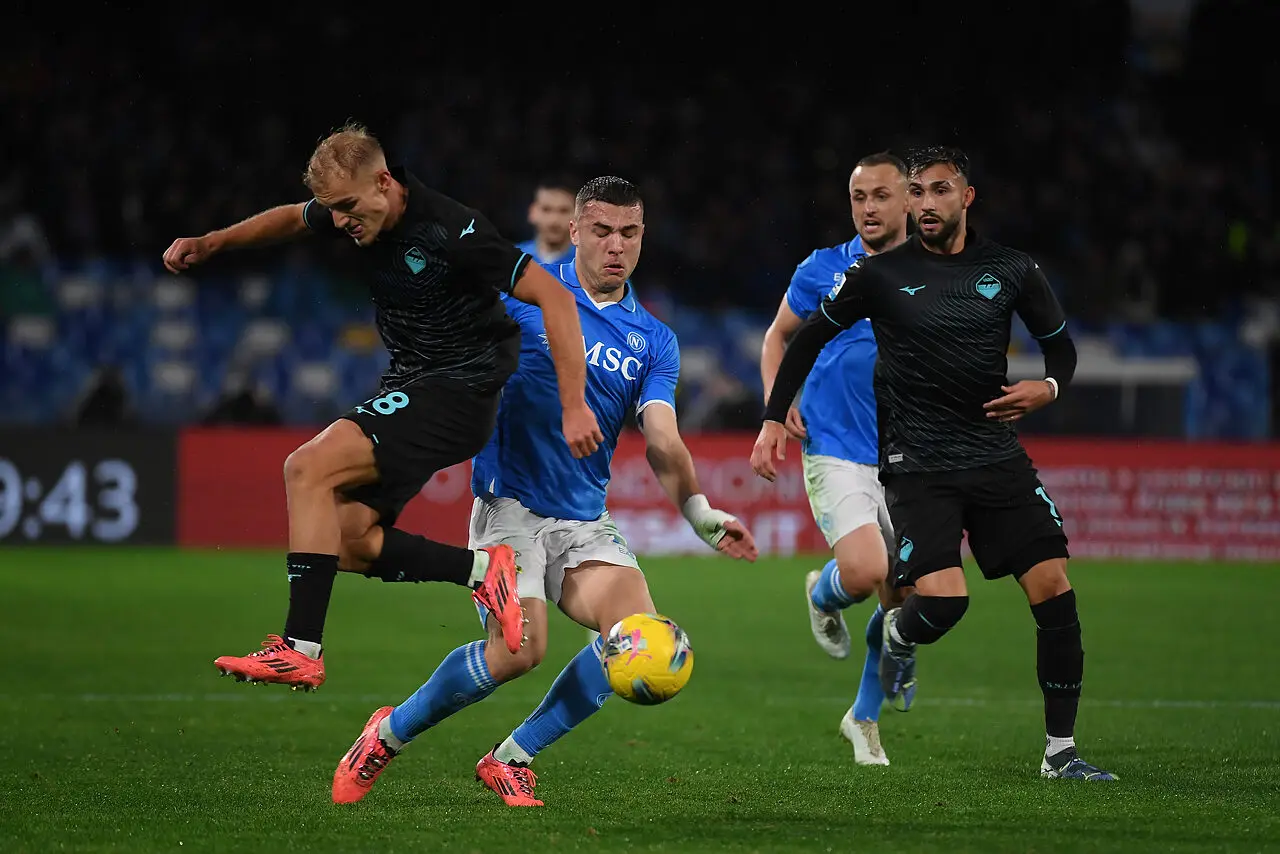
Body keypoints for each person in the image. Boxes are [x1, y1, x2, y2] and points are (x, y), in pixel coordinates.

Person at [330, 176, 758, 807]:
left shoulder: (654, 340)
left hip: (584, 517)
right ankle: (385, 736)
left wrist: (700, 512)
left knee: (636, 637)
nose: (617, 246)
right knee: (517, 653)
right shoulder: (527, 293)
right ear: (577, 231)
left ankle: (511, 759)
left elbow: (663, 440)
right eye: (604, 231)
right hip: (510, 506)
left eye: (631, 233)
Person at [161, 122, 604, 690]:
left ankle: (300, 649)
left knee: (305, 467)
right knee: (343, 538)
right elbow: (294, 218)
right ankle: (483, 571)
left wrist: (574, 405)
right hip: (413, 381)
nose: (340, 221)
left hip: (459, 389)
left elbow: (554, 296)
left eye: (347, 207)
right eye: (333, 210)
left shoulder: (453, 228)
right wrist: (211, 243)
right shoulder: (350, 210)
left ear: (385, 182)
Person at [751, 146, 1116, 781]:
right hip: (917, 464)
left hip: (996, 457)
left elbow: (1060, 346)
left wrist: (1050, 388)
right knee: (939, 603)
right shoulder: (878, 274)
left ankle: (1061, 753)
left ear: (966, 197)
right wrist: (771, 417)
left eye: (937, 191)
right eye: (916, 192)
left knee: (1055, 590)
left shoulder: (1010, 268)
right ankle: (890, 634)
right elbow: (803, 336)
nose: (925, 204)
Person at [758, 151, 912, 766]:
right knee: (868, 568)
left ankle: (863, 718)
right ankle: (823, 594)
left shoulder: (934, 272)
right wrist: (777, 405)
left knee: (904, 596)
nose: (869, 209)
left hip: (910, 454)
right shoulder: (824, 269)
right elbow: (777, 336)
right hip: (835, 446)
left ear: (908, 202)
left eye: (880, 196)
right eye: (858, 198)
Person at [515, 176, 577, 266]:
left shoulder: (587, 262)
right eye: (546, 210)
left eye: (564, 211)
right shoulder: (514, 259)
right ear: (532, 212)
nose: (554, 221)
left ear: (577, 215)